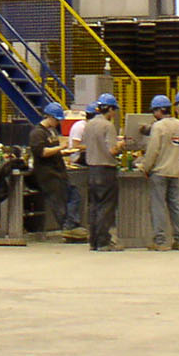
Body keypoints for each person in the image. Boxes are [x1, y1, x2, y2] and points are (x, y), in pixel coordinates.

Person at [138, 94, 179, 250]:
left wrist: (145, 167)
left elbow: (153, 151)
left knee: (158, 206)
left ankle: (160, 242)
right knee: (176, 206)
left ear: (159, 110)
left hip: (160, 172)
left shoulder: (158, 127)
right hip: (176, 171)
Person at [28, 103, 82, 239]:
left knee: (73, 194)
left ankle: (71, 225)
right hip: (48, 174)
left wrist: (63, 152)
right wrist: (60, 148)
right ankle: (67, 228)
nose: (58, 123)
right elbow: (42, 152)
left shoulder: (51, 131)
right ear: (49, 117)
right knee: (58, 202)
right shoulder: (37, 133)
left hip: (58, 172)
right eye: (57, 120)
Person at [80, 92, 125, 251]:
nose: (114, 114)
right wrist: (121, 145)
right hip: (106, 171)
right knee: (106, 207)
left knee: (94, 207)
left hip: (91, 170)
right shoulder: (108, 126)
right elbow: (112, 150)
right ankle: (104, 242)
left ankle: (93, 242)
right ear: (110, 109)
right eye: (114, 111)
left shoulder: (89, 124)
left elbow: (84, 145)